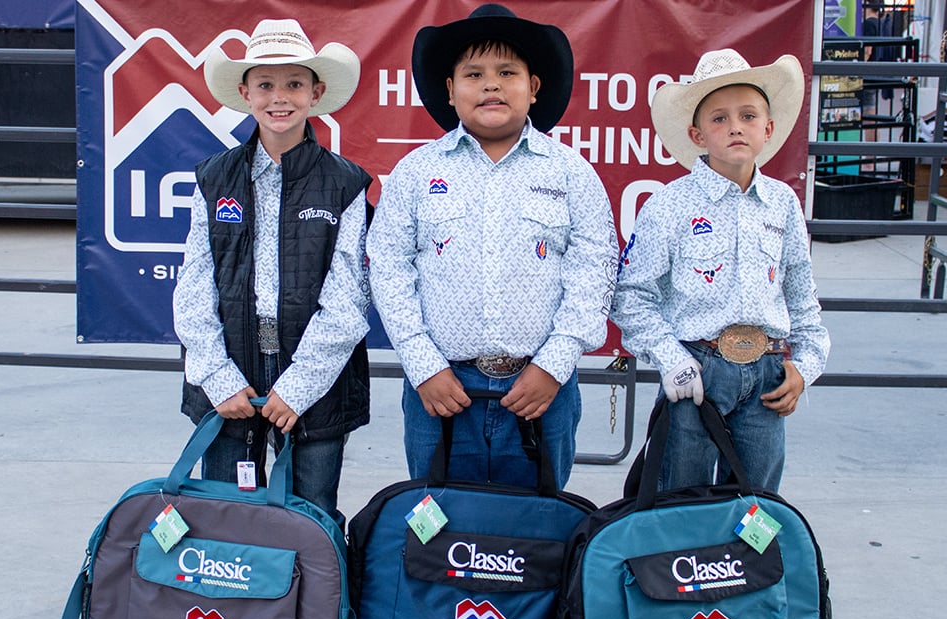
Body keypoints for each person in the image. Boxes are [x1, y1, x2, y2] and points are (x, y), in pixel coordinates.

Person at [367, 4, 618, 490]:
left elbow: (595, 269)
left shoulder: (570, 172)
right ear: (449, 89)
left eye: (508, 72)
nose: (491, 85)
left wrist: (554, 364)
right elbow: (390, 270)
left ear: (534, 86)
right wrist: (423, 365)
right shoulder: (417, 173)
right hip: (441, 389)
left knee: (533, 535)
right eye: (474, 73)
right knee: (439, 529)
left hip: (542, 390)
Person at [173, 18, 372, 526]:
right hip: (231, 367)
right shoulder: (214, 177)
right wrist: (217, 376)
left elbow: (349, 296)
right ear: (244, 93)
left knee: (312, 512)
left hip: (316, 372)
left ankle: (313, 606)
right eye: (265, 84)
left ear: (316, 92)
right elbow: (194, 283)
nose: (279, 97)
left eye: (294, 84)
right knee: (225, 510)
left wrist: (299, 385)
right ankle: (231, 606)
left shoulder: (345, 184)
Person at [610, 49, 830, 493]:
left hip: (767, 371)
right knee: (680, 492)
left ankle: (747, 564)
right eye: (718, 118)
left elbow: (801, 295)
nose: (735, 127)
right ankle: (677, 559)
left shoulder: (783, 204)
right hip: (697, 368)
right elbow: (631, 296)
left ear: (768, 129)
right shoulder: (670, 205)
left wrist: (805, 366)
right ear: (696, 134)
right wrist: (673, 360)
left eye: (748, 116)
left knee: (758, 498)